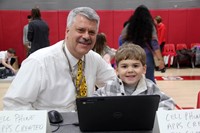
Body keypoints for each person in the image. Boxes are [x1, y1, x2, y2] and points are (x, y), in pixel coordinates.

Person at [3, 7, 116, 112]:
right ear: (67, 32)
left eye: (92, 32)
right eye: (81, 30)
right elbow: (13, 105)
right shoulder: (39, 62)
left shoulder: (94, 59)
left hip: (86, 124)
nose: (86, 36)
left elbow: (116, 85)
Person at [93, 43, 175, 110]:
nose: (130, 70)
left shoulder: (150, 87)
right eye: (124, 66)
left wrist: (156, 115)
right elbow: (93, 99)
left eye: (135, 66)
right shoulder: (110, 86)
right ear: (117, 70)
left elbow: (168, 101)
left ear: (144, 69)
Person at [122, 5, 165, 83]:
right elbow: (154, 44)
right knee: (150, 80)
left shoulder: (129, 26)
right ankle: (151, 95)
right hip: (146, 56)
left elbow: (122, 40)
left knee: (132, 80)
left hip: (132, 55)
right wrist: (160, 60)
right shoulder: (150, 26)